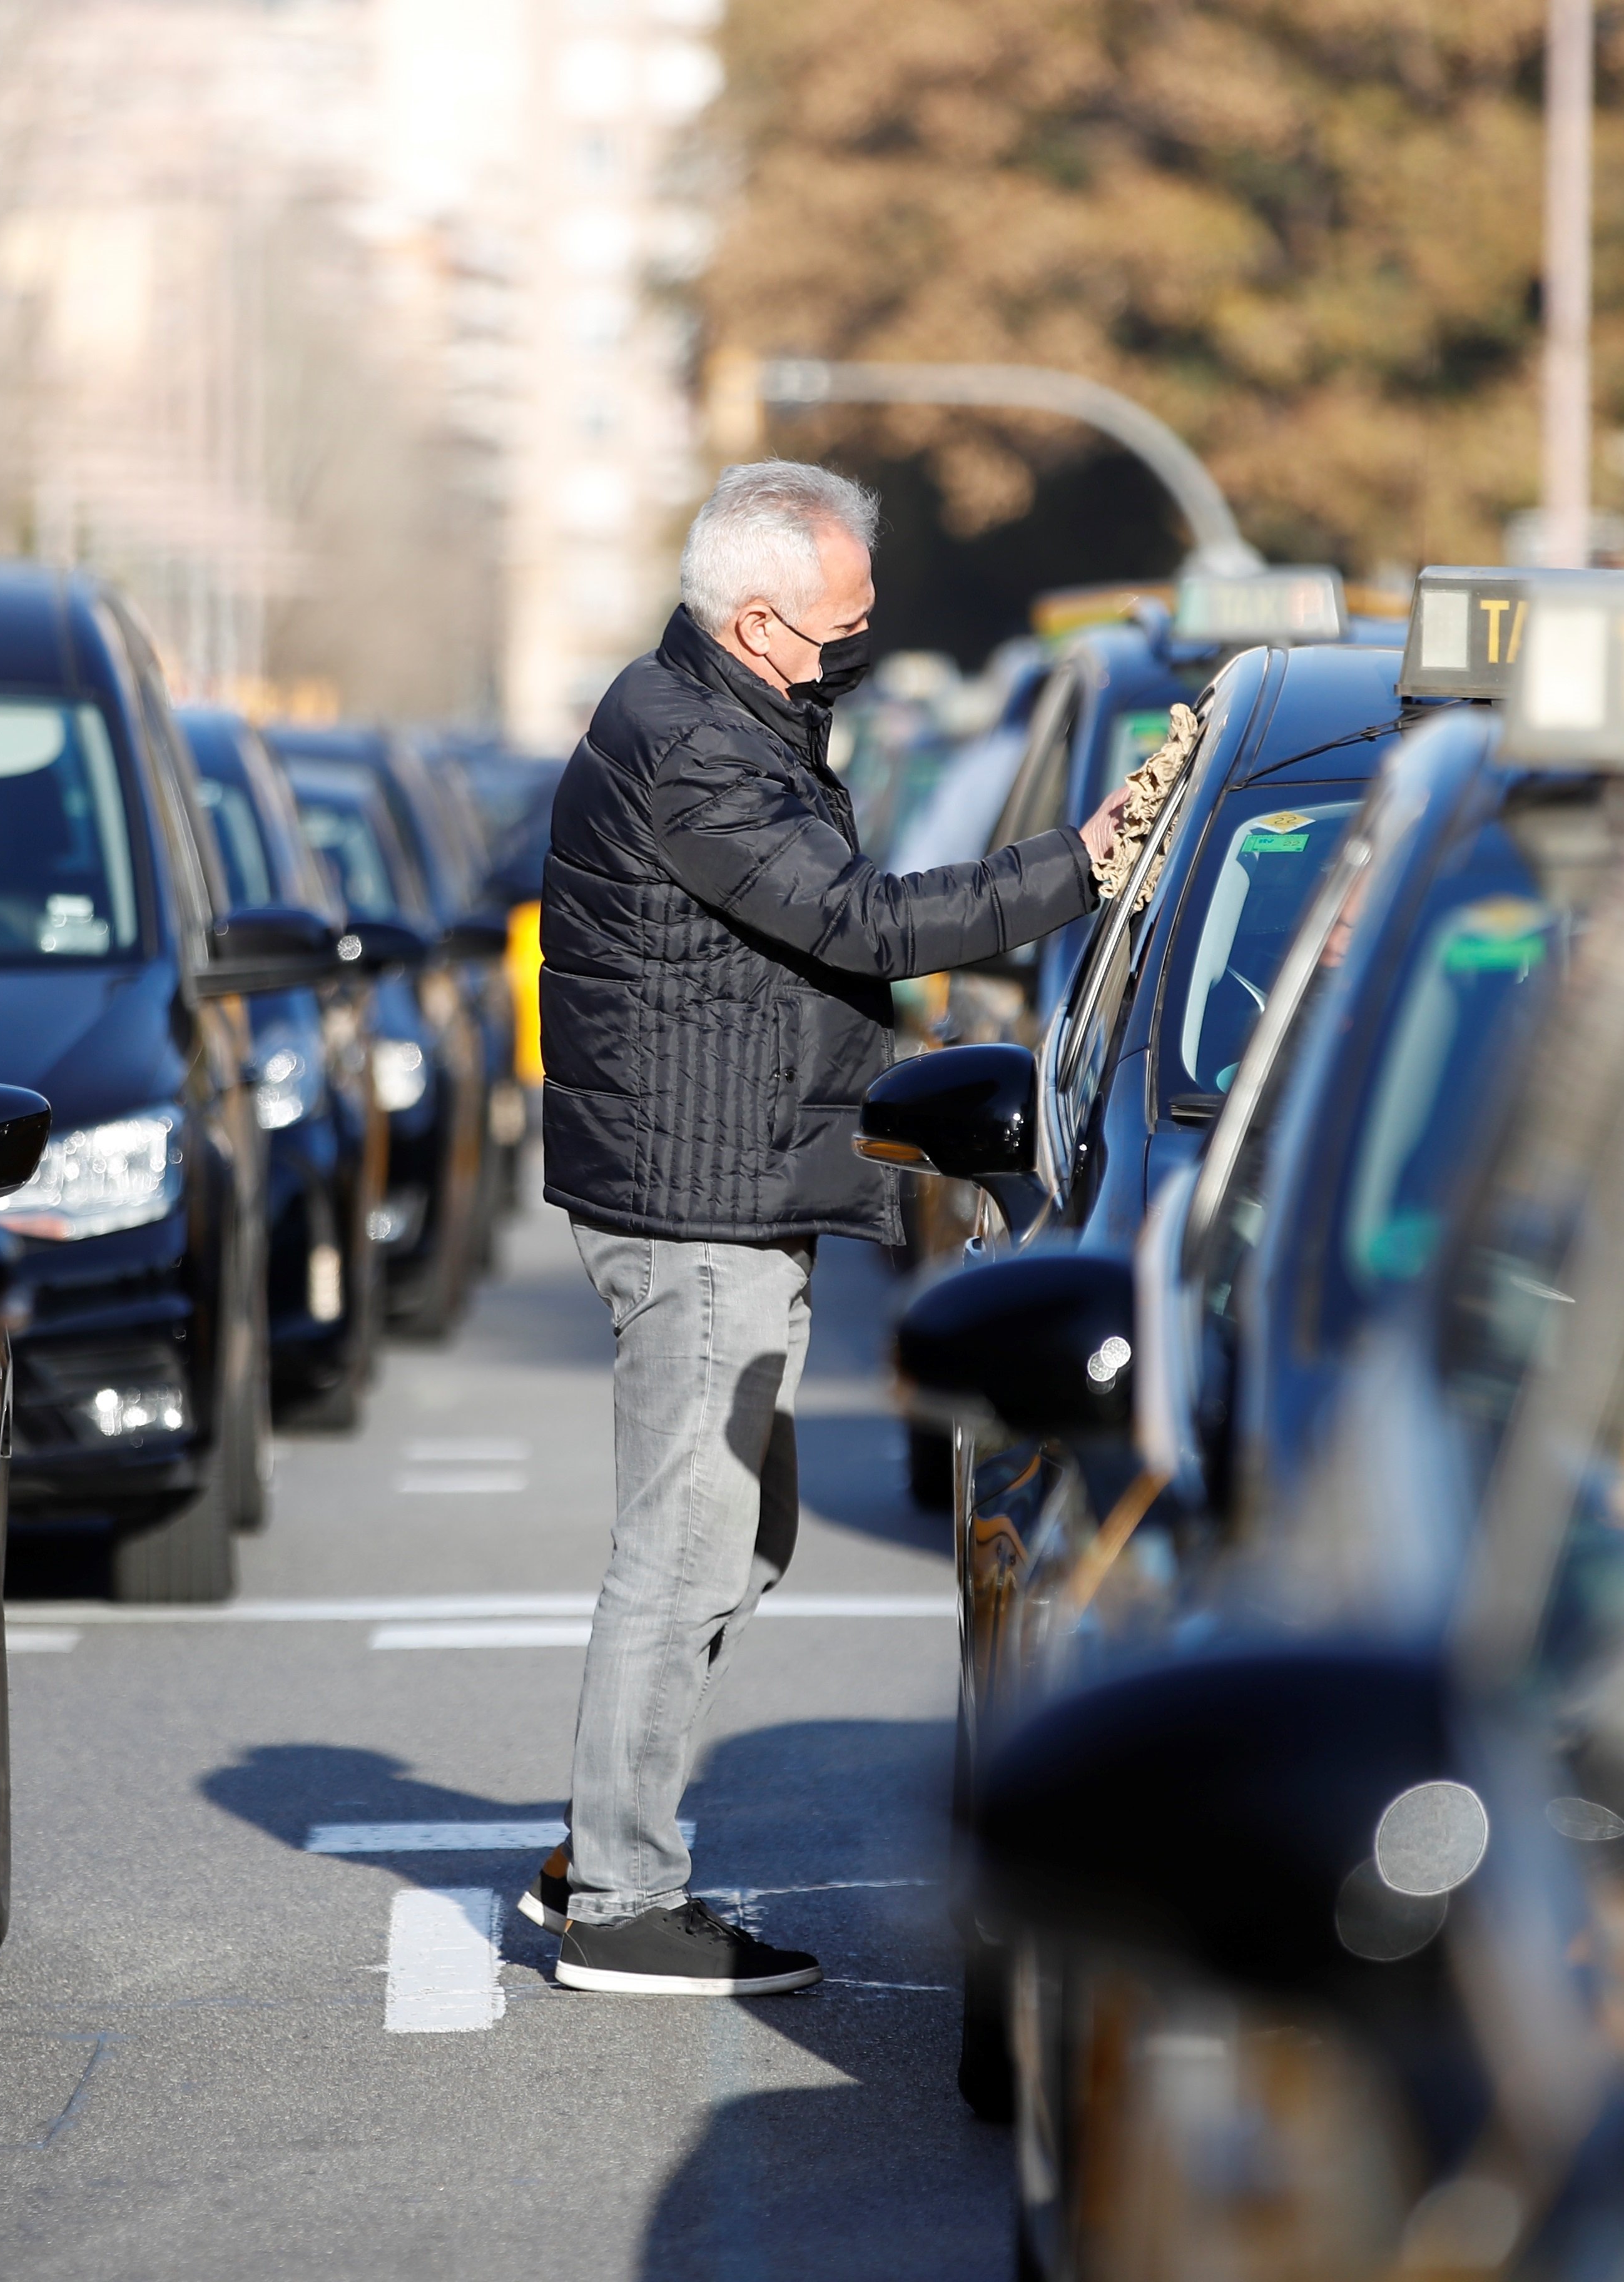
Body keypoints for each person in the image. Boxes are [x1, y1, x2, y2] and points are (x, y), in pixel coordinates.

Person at [525, 460, 1131, 1994]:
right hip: (695, 1207)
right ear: (752, 618)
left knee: (742, 1536)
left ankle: (601, 1832)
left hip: (719, 1185)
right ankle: (618, 1898)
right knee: (687, 1549)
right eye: (836, 638)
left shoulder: (718, 714)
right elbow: (858, 921)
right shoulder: (691, 753)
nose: (847, 659)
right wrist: (1084, 863)